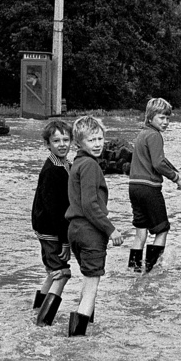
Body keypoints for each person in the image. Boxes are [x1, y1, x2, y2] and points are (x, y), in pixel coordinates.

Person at [65, 116, 124, 336]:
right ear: (80, 143)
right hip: (90, 232)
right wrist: (111, 229)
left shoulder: (77, 163)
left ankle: (85, 330)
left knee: (88, 280)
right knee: (92, 286)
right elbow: (90, 205)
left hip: (75, 230)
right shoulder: (90, 165)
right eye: (92, 140)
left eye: (100, 138)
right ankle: (77, 339)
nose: (98, 144)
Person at [128, 97, 181, 273]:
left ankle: (134, 270)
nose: (166, 122)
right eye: (162, 118)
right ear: (150, 117)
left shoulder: (143, 134)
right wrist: (175, 177)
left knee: (141, 234)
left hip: (134, 187)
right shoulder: (155, 135)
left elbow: (160, 158)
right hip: (149, 188)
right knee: (162, 229)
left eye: (168, 118)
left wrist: (174, 168)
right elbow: (158, 163)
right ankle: (150, 270)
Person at [31, 119, 73, 327]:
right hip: (51, 229)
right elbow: (55, 210)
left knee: (52, 272)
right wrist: (65, 241)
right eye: (56, 141)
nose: (62, 144)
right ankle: (43, 321)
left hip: (48, 228)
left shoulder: (64, 165)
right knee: (61, 274)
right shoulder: (52, 171)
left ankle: (37, 310)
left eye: (66, 139)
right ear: (47, 144)